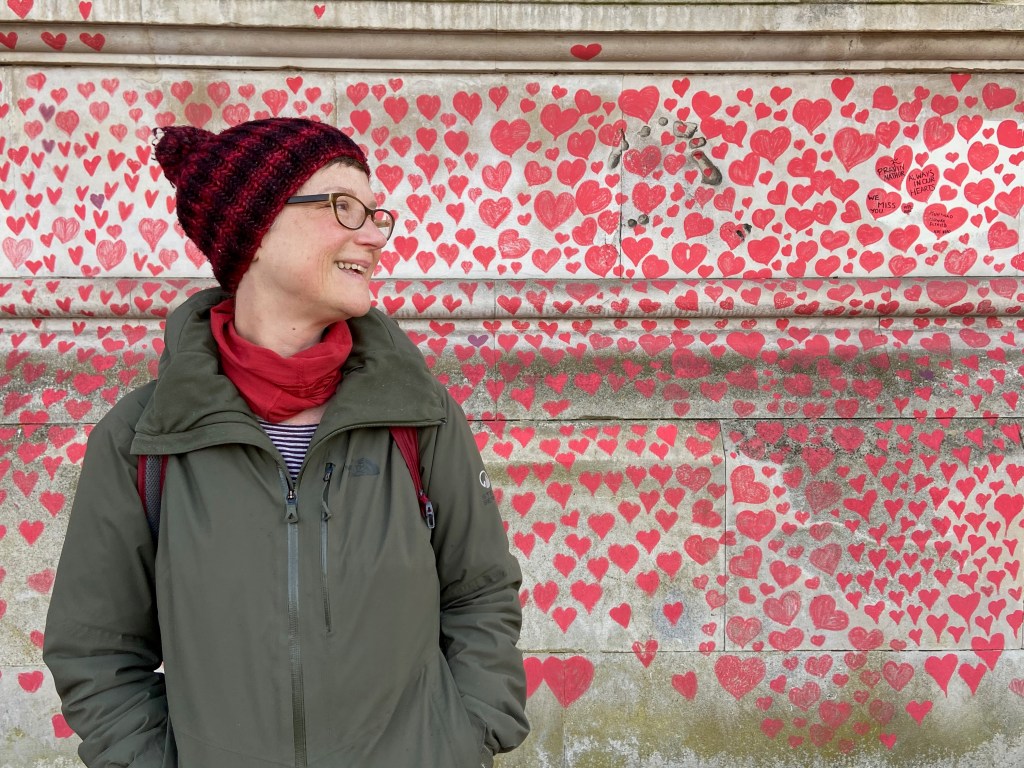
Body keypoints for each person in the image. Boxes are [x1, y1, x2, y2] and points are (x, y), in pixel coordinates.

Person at [43, 117, 530, 768]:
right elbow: (96, 648)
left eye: (375, 213)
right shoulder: (143, 441)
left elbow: (481, 591)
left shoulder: (421, 418)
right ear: (258, 232)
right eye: (343, 206)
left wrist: (463, 735)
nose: (373, 234)